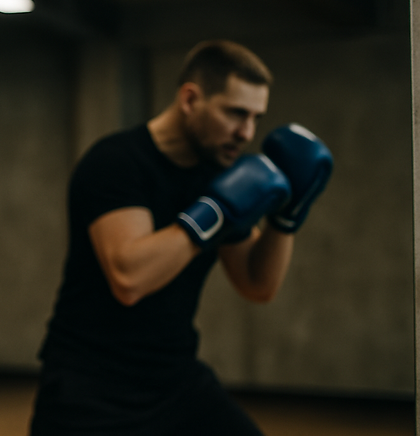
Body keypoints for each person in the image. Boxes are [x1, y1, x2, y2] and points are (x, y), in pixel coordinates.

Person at [29, 40, 333, 436]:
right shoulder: (117, 162)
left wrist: (286, 217)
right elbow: (129, 279)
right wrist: (215, 213)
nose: (246, 132)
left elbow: (257, 284)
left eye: (256, 118)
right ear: (190, 99)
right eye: (236, 113)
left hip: (174, 380)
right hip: (91, 389)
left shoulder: (219, 175)